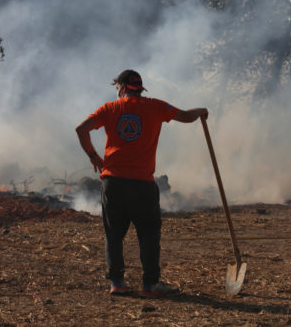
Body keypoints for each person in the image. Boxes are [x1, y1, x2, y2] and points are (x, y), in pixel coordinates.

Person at [75, 69, 208, 297]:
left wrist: (93, 156)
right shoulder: (155, 106)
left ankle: (117, 282)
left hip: (113, 182)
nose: (117, 92)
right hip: (142, 184)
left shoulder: (110, 109)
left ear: (124, 87)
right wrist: (202, 111)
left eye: (117, 88)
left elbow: (81, 129)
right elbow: (186, 116)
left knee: (114, 233)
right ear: (139, 88)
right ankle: (150, 285)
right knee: (148, 232)